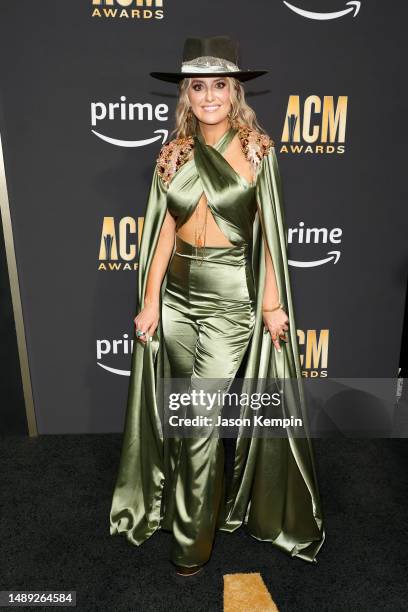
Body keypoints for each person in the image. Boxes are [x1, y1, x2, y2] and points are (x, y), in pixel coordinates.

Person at [109, 35, 325, 576]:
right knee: (186, 420)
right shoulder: (174, 152)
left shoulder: (257, 149)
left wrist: (272, 304)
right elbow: (162, 233)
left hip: (232, 301)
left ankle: (190, 544)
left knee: (201, 423)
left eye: (220, 86)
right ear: (187, 94)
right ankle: (193, 512)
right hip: (178, 300)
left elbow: (271, 235)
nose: (209, 96)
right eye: (198, 86)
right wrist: (151, 299)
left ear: (235, 93)